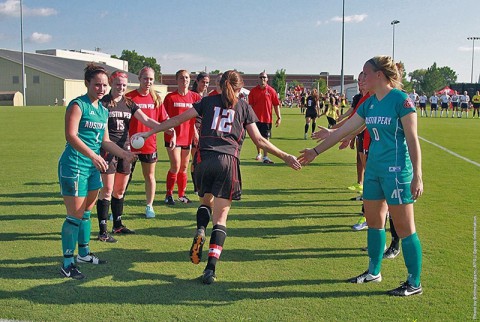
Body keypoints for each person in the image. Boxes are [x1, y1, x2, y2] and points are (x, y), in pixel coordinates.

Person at [132, 70, 301, 284]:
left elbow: (176, 120)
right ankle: (210, 268)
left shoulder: (207, 101)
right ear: (240, 89)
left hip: (204, 160)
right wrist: (285, 155)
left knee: (205, 203)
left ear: (219, 85)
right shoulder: (243, 107)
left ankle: (201, 229)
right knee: (221, 219)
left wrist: (148, 133)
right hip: (227, 162)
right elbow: (259, 141)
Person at [299, 56, 423, 297]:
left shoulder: (401, 100)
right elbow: (345, 130)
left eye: (366, 73)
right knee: (375, 223)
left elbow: (412, 139)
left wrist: (417, 175)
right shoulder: (369, 103)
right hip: (374, 170)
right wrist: (315, 151)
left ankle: (414, 282)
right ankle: (373, 271)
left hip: (397, 172)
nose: (362, 78)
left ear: (379, 75)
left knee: (405, 227)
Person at [58, 63, 137, 279]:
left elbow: (106, 141)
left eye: (104, 85)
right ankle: (67, 262)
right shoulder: (78, 105)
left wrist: (124, 154)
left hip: (93, 168)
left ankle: (83, 254)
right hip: (74, 165)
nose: (101, 89)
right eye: (97, 85)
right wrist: (93, 155)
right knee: (74, 216)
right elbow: (71, 136)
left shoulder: (103, 110)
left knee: (87, 212)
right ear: (87, 84)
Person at [96, 71, 172, 243]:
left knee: (119, 190)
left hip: (125, 151)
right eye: (117, 84)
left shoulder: (129, 103)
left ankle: (118, 224)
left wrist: (164, 127)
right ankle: (102, 231)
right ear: (111, 83)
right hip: (107, 150)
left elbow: (145, 119)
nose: (121, 87)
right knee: (107, 190)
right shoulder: (103, 103)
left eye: (123, 85)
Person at [126, 67, 173, 218]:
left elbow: (164, 121)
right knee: (125, 176)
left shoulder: (156, 99)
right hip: (129, 145)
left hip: (149, 144)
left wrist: (172, 134)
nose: (148, 82)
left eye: (151, 79)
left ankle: (149, 206)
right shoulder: (128, 97)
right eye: (145, 78)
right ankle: (117, 207)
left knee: (150, 176)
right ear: (139, 79)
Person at [163, 70, 202, 205]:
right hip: (172, 136)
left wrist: (196, 132)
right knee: (175, 165)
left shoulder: (195, 97)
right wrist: (171, 132)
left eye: (186, 77)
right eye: (181, 78)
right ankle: (169, 194)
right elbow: (164, 118)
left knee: (184, 167)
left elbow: (198, 117)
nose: (184, 80)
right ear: (177, 80)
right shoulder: (170, 97)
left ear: (189, 80)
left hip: (187, 136)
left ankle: (181, 195)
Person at [248, 71, 282, 164]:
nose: (262, 79)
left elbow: (276, 105)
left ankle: (266, 156)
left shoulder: (271, 91)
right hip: (255, 119)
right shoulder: (253, 91)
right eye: (261, 77)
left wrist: (279, 117)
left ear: (267, 79)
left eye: (264, 77)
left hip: (267, 119)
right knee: (257, 137)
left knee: (266, 138)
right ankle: (259, 153)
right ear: (258, 79)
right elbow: (250, 106)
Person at [190, 72, 210, 195]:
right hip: (194, 130)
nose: (205, 84)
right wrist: (194, 132)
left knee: (203, 159)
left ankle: (201, 184)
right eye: (203, 82)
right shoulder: (192, 96)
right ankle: (196, 186)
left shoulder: (207, 97)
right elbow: (189, 117)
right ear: (197, 81)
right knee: (195, 160)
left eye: (207, 82)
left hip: (204, 130)